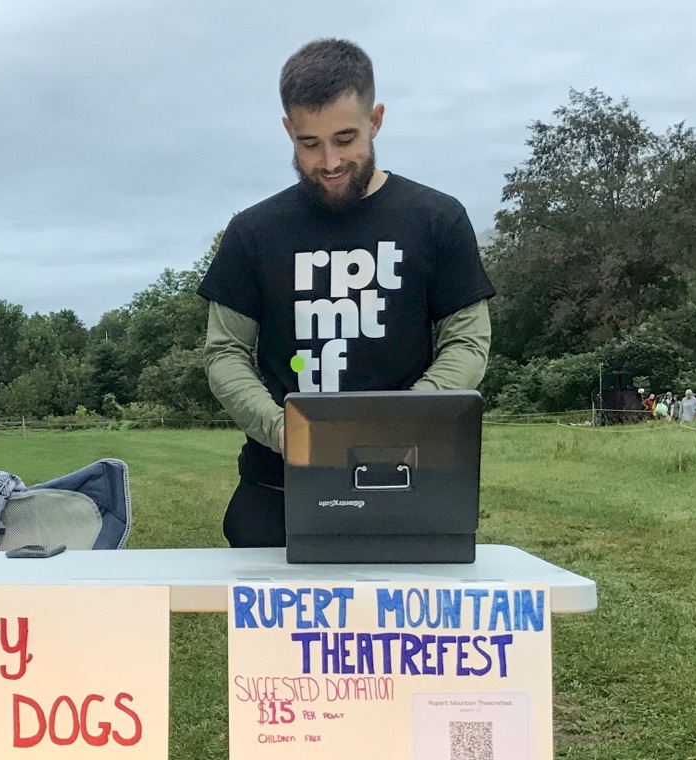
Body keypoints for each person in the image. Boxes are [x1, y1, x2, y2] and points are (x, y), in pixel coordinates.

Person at [198, 39, 495, 548]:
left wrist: (405, 423)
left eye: (345, 138)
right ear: (288, 130)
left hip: (410, 485)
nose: (329, 161)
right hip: (276, 492)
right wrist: (281, 430)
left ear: (376, 119)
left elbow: (467, 342)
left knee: (401, 632)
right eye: (309, 143)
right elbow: (224, 352)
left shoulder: (438, 219)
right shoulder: (253, 232)